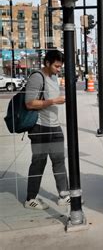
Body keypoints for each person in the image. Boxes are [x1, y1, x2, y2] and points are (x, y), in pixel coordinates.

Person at [24, 50, 69, 210]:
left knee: (59, 160)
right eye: (56, 66)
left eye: (60, 66)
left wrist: (56, 101)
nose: (59, 69)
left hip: (54, 126)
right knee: (39, 161)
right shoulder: (37, 77)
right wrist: (53, 101)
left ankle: (64, 195)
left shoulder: (54, 77)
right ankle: (31, 198)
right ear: (47, 63)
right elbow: (29, 103)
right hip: (40, 127)